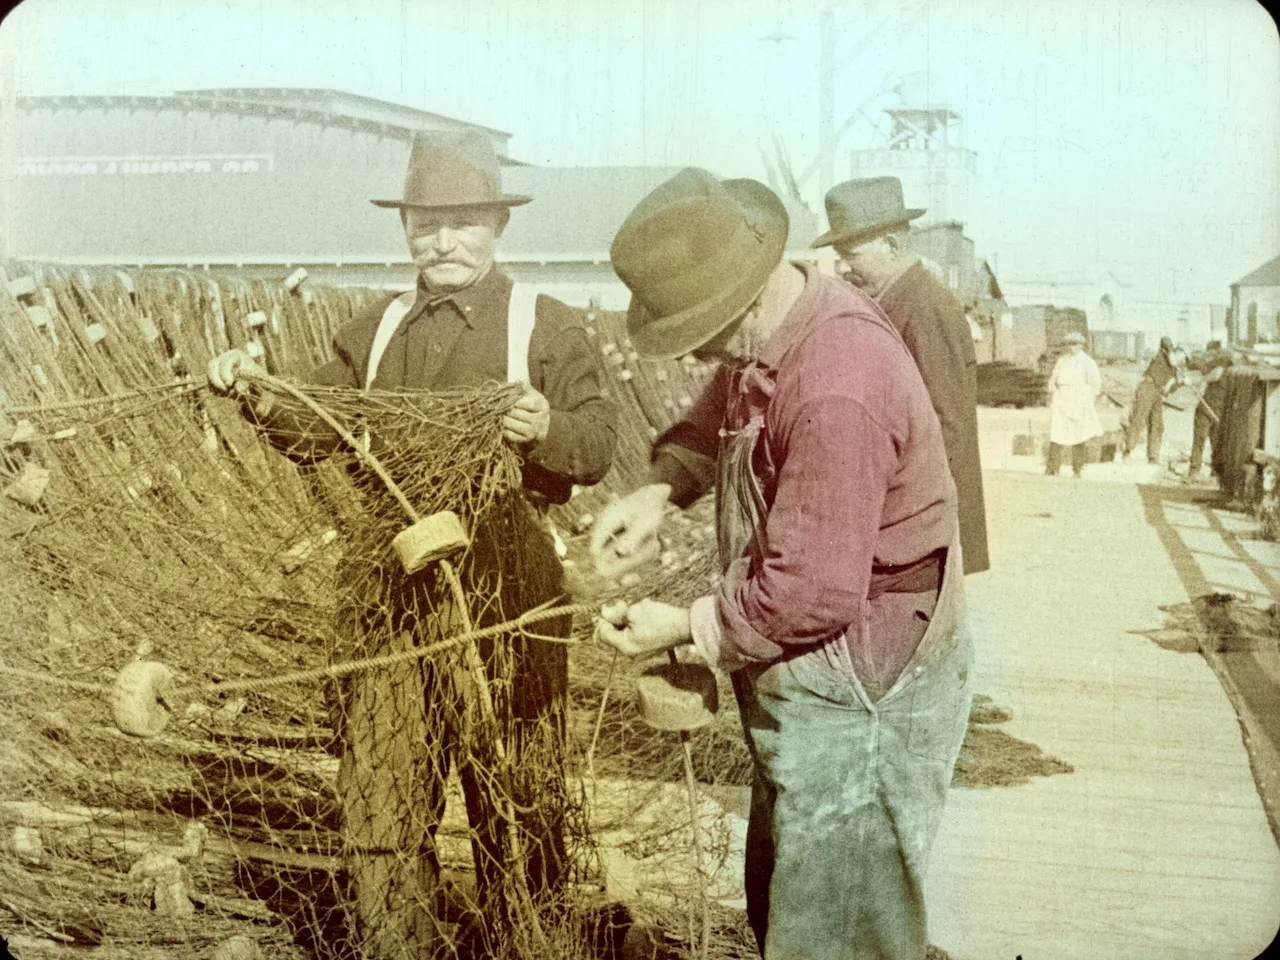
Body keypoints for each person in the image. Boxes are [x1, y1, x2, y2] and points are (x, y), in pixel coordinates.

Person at [207, 129, 616, 958]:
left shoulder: (545, 323)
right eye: (425, 223)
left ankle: (522, 945)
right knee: (382, 799)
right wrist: (254, 389)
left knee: (517, 799)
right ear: (406, 231)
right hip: (388, 590)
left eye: (463, 222)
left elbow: (598, 443)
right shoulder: (377, 327)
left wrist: (545, 428)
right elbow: (312, 422)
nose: (443, 241)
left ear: (498, 226)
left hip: (510, 588)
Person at [589, 168, 972, 960]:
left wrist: (688, 626)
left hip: (860, 678)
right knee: (787, 903)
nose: (694, 350)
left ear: (746, 293)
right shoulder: (779, 325)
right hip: (810, 665)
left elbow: (809, 590)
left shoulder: (838, 382)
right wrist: (663, 488)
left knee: (836, 935)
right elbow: (722, 405)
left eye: (699, 329)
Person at [812, 177, 989, 575]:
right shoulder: (897, 300)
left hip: (924, 531)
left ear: (890, 246)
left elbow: (947, 428)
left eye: (851, 255)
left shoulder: (924, 308)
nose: (843, 268)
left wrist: (929, 531)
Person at [1045, 332, 1102, 477]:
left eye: (1075, 344)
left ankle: (1077, 469)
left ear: (1081, 345)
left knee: (1078, 436)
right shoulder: (1062, 361)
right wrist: (1055, 393)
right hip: (1062, 401)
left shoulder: (1087, 362)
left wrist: (1086, 398)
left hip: (1079, 402)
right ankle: (1052, 468)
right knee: (1057, 434)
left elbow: (1095, 384)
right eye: (1069, 344)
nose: (1072, 347)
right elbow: (1053, 380)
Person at [1122, 335, 1181, 463]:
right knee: (1139, 419)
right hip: (1147, 387)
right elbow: (1165, 339)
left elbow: (1166, 391)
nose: (1183, 360)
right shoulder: (1163, 355)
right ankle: (1127, 450)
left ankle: (1153, 456)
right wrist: (1171, 352)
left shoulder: (1176, 371)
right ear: (1177, 352)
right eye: (1182, 356)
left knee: (1157, 424)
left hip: (1157, 393)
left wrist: (1179, 383)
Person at [1188, 340, 1234, 481]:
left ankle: (1216, 472)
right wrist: (1199, 382)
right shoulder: (1217, 362)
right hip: (1206, 407)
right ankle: (1194, 472)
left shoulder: (1224, 361)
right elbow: (1209, 374)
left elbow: (1216, 374)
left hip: (1217, 409)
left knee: (1216, 442)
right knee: (1200, 439)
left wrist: (1200, 381)